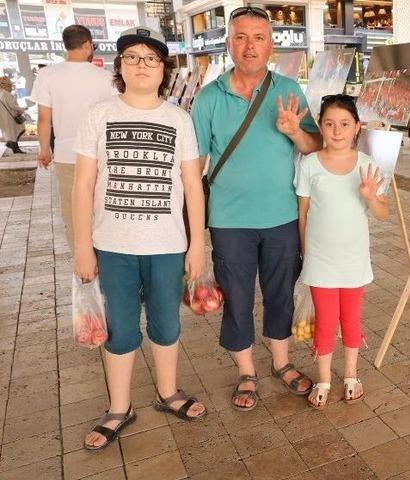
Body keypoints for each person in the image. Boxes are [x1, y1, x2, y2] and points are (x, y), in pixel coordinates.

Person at [72, 26, 208, 451]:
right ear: (119, 66)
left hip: (167, 246)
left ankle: (168, 393)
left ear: (164, 68)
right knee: (122, 329)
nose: (142, 65)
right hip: (112, 245)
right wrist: (82, 245)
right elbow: (82, 184)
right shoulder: (99, 115)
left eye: (151, 58)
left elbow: (191, 186)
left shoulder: (178, 119)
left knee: (167, 325)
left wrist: (197, 243)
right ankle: (119, 407)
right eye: (132, 56)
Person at [191, 5, 322, 411]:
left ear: (271, 46)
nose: (250, 46)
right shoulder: (208, 98)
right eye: (241, 37)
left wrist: (294, 130)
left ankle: (281, 363)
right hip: (229, 221)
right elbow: (193, 167)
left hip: (282, 216)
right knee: (238, 296)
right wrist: (193, 233)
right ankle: (246, 372)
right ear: (229, 44)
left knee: (281, 293)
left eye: (259, 37)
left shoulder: (289, 90)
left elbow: (315, 146)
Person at [296, 94, 389, 408]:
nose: (337, 131)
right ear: (321, 127)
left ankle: (351, 374)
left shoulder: (367, 166)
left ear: (357, 128)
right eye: (330, 124)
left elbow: (382, 213)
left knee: (351, 318)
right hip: (320, 261)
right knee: (325, 320)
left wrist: (370, 196)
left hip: (354, 261)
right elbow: (304, 213)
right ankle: (323, 378)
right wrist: (305, 255)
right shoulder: (309, 164)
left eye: (345, 124)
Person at [31, 24, 114, 250]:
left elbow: (43, 119)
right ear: (87, 44)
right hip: (101, 155)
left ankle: (82, 261)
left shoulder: (47, 75)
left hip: (67, 154)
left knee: (72, 210)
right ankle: (105, 255)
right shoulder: (106, 77)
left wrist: (44, 150)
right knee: (103, 208)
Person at [0, 77, 25, 154]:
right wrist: (22, 109)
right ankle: (14, 147)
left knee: (11, 133)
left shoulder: (1, 93)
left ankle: (12, 145)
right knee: (17, 131)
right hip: (11, 117)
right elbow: (12, 106)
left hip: (4, 117)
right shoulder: (6, 94)